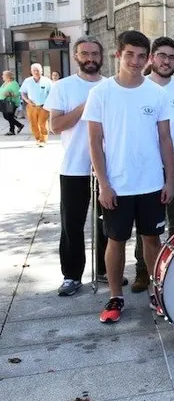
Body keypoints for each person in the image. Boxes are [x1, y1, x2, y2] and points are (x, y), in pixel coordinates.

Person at [82, 30, 174, 323]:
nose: (135, 61)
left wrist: (169, 180)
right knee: (116, 240)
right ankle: (114, 297)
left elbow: (164, 140)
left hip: (150, 183)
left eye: (140, 55)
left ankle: (156, 292)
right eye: (129, 54)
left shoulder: (156, 93)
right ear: (118, 55)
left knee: (152, 239)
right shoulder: (101, 93)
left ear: (148, 58)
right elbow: (95, 142)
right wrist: (104, 184)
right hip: (117, 186)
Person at [45, 37, 113, 296]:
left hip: (107, 167)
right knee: (72, 223)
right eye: (85, 54)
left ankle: (105, 270)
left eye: (95, 53)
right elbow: (56, 126)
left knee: (107, 222)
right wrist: (86, 106)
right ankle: (71, 275)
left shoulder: (111, 86)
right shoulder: (63, 87)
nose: (90, 58)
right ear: (76, 57)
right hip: (74, 167)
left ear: (102, 56)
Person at [131, 37, 174, 293]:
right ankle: (143, 272)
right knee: (146, 223)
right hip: (150, 165)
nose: (166, 61)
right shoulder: (141, 86)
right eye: (162, 55)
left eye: (171, 57)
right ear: (152, 58)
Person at [20, 64, 52, 146]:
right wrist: (27, 100)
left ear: (41, 71)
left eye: (38, 70)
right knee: (33, 124)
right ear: (31, 71)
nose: (36, 72)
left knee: (43, 123)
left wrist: (48, 104)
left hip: (43, 106)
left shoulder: (47, 81)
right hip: (31, 107)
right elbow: (23, 93)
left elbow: (53, 93)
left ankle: (43, 140)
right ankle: (37, 139)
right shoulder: (27, 81)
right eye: (34, 70)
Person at [1, 71, 23, 135]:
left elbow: (18, 93)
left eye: (3, 75)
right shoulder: (5, 82)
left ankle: (12, 130)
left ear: (8, 76)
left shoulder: (14, 83)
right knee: (7, 116)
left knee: (9, 116)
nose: (2, 76)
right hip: (4, 102)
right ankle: (19, 126)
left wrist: (10, 94)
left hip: (11, 102)